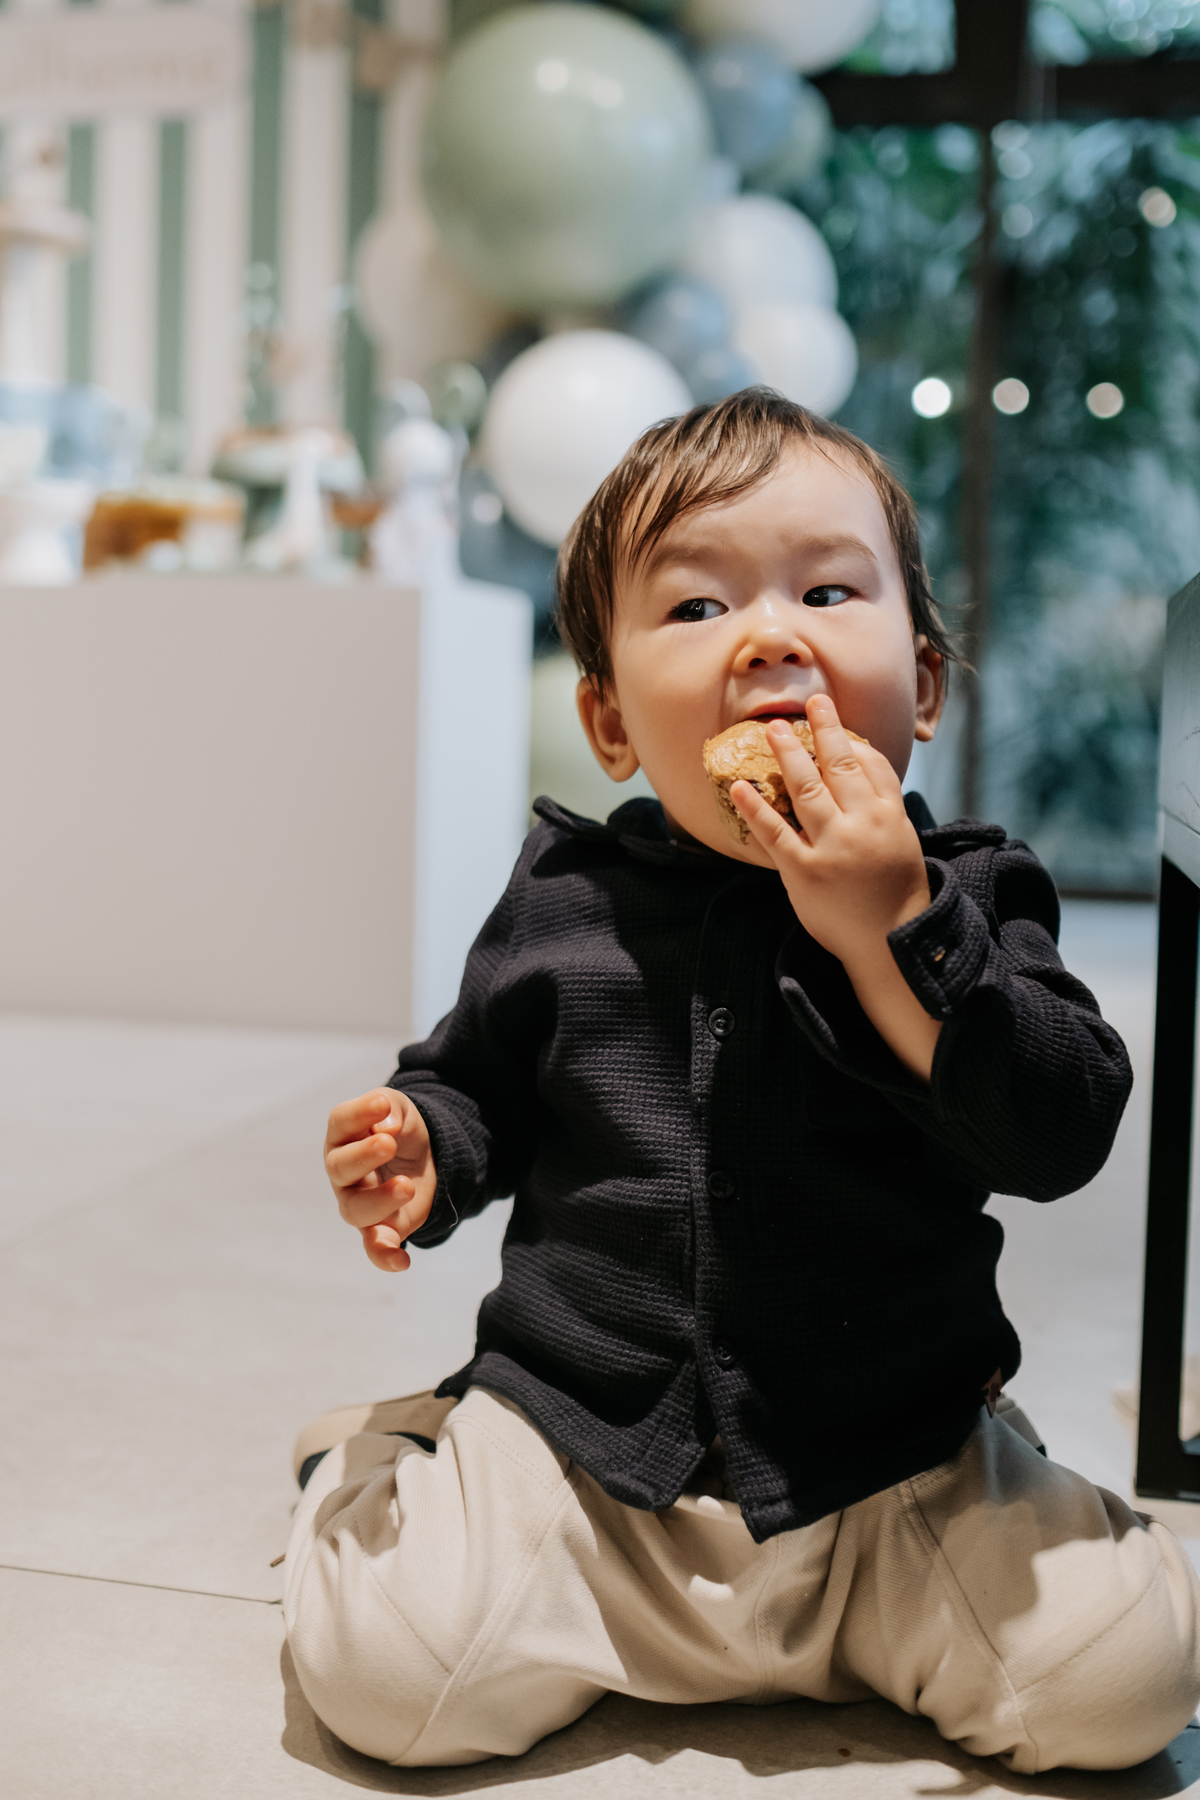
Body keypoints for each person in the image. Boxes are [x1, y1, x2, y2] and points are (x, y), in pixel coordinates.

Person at [283, 389, 1200, 1773]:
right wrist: (426, 1145)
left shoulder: (971, 893)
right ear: (608, 721)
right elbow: (477, 1085)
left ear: (926, 685)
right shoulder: (567, 898)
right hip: (585, 1463)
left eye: (828, 591)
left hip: (891, 1466)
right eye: (699, 606)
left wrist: (899, 931)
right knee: (389, 1683)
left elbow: (1060, 1131)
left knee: (1122, 1688)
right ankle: (375, 1461)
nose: (771, 636)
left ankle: (993, 1527)